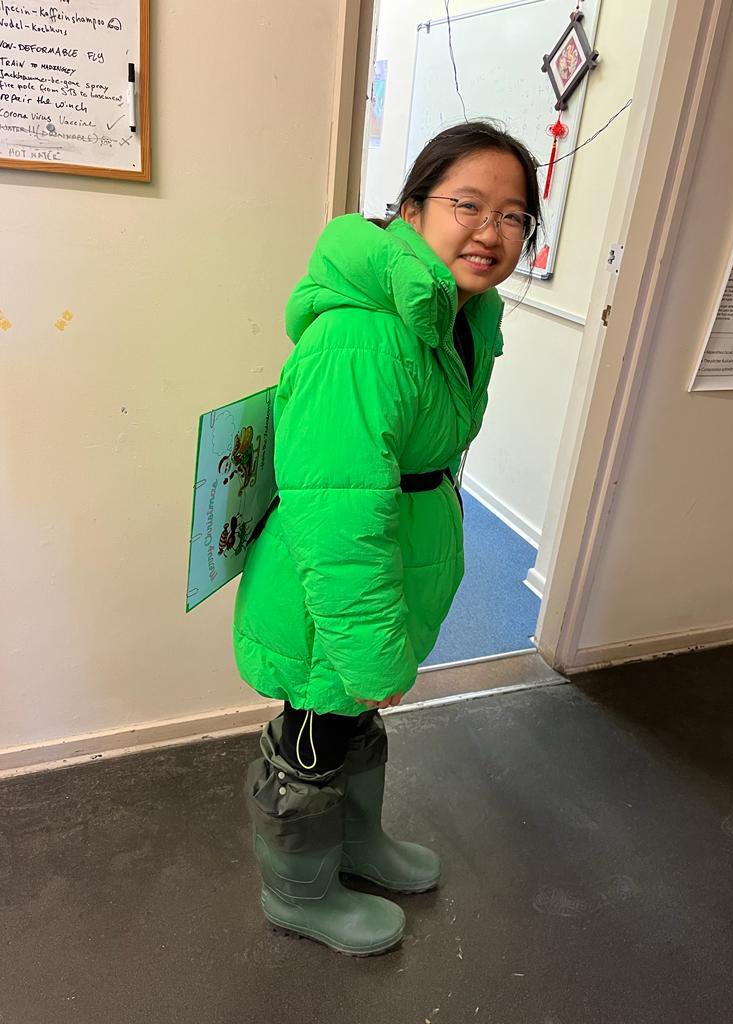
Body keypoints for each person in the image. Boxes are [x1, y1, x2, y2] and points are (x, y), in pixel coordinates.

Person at [235, 120, 541, 956]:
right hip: (327, 591)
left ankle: (358, 845)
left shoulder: (456, 319)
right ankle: (298, 892)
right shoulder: (363, 336)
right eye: (467, 204)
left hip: (385, 571)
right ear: (410, 212)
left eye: (515, 216)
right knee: (313, 735)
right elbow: (336, 511)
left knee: (353, 723)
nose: (491, 231)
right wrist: (373, 648)